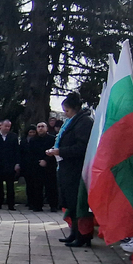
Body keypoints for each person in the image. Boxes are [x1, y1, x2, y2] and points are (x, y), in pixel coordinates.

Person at [46, 92, 94, 247]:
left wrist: (61, 151)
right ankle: (74, 232)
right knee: (70, 202)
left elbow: (83, 146)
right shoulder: (72, 122)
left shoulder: (84, 122)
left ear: (75, 108)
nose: (65, 114)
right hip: (66, 166)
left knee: (77, 202)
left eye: (67, 111)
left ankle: (83, 235)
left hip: (77, 168)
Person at [0, 119, 21, 210]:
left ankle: (11, 204)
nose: (7, 128)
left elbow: (17, 151)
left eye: (9, 126)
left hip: (10, 165)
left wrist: (17, 163)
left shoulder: (13, 136)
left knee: (10, 186)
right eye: (6, 126)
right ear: (0, 126)